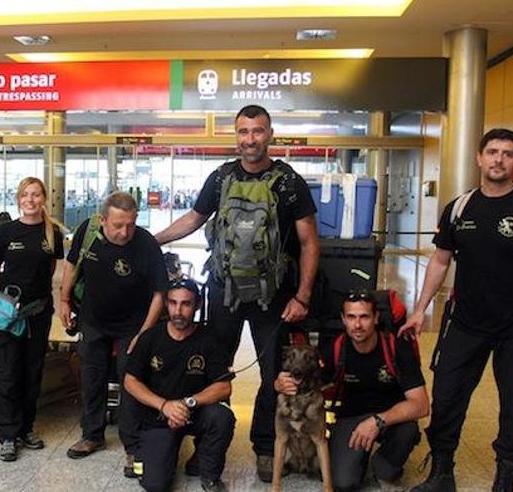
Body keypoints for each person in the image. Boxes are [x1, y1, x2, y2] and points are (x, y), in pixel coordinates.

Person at [154, 104, 320, 481]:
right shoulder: (220, 178)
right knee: (213, 371)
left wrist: (303, 296)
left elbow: (310, 242)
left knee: (272, 375)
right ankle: (208, 446)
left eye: (258, 131)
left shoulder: (289, 182)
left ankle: (265, 448)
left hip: (272, 296)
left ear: (270, 134)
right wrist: (152, 240)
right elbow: (194, 220)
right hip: (224, 292)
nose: (250, 140)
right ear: (236, 135)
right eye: (244, 132)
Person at [400, 129, 513, 492]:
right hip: (465, 323)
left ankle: (504, 479)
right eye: (492, 152)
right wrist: (419, 310)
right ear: (479, 157)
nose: (499, 159)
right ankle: (442, 473)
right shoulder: (460, 208)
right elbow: (440, 262)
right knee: (446, 398)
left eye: (508, 154)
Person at [59, 191, 168, 476]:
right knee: (92, 377)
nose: (125, 232)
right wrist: (64, 299)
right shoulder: (88, 231)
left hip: (132, 325)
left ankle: (132, 445)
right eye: (118, 225)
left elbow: (160, 294)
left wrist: (143, 334)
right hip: (93, 320)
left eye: (131, 224)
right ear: (102, 219)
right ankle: (92, 435)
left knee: (130, 382)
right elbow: (72, 264)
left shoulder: (145, 244)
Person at [276, 290, 429, 491]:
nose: (357, 325)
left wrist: (377, 421)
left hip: (391, 420)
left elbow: (422, 405)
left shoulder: (397, 347)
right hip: (351, 419)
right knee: (343, 482)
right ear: (343, 320)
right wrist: (279, 383)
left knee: (406, 434)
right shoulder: (336, 349)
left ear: (376, 318)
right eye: (351, 317)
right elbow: (309, 382)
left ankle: (382, 464)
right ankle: (359, 460)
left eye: (364, 317)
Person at [125, 278, 235, 492]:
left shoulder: (210, 339)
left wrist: (187, 404)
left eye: (186, 304)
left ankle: (207, 471)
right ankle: (158, 451)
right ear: (166, 304)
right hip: (158, 416)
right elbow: (130, 381)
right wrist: (165, 406)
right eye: (173, 303)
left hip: (194, 412)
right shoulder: (150, 337)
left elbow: (224, 387)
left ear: (198, 305)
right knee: (155, 485)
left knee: (222, 417)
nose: (178, 310)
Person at [0, 177, 64, 462]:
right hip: (6, 315)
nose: (30, 200)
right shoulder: (6, 231)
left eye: (36, 195)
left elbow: (50, 268)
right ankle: (7, 435)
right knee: (6, 374)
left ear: (44, 199)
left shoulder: (51, 233)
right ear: (19, 199)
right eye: (25, 195)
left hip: (38, 314)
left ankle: (26, 428)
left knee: (32, 374)